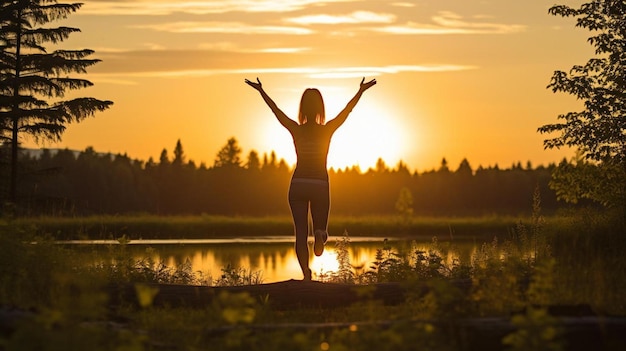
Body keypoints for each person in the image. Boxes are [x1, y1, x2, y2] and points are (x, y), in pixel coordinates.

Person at [245, 77, 377, 281]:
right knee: (321, 228)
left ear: (302, 108)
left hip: (297, 184)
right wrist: (360, 91)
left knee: (299, 233)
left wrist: (261, 91)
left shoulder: (296, 129)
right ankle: (320, 235)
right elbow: (346, 112)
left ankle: (306, 273)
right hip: (319, 185)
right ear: (320, 109)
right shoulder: (327, 130)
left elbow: (276, 111)